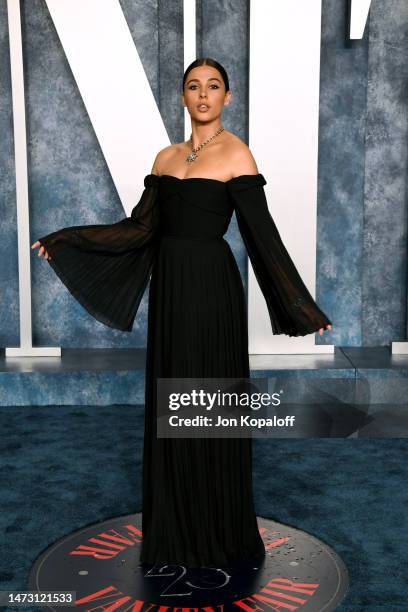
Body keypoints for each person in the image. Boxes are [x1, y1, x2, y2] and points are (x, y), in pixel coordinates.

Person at [31, 57, 332, 568]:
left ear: (227, 97)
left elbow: (264, 238)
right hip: (171, 293)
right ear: (183, 97)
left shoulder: (238, 153)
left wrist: (300, 306)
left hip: (212, 291)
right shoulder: (165, 156)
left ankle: (219, 532)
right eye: (194, 87)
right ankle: (175, 532)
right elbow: (137, 230)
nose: (203, 95)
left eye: (214, 86)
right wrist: (69, 238)